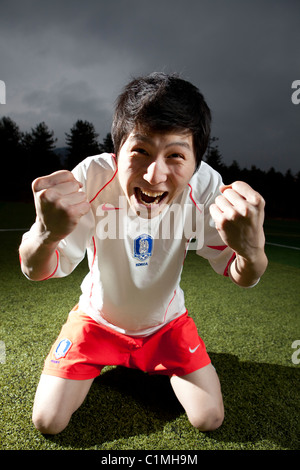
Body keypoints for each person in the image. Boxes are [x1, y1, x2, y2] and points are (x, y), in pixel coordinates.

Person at [19, 72, 268, 435]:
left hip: (166, 326)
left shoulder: (206, 187)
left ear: (196, 161)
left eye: (176, 155)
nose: (155, 175)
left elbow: (242, 274)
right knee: (47, 421)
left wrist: (252, 250)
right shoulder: (91, 176)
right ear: (116, 150)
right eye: (140, 150)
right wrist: (44, 233)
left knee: (209, 417)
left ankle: (157, 361)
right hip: (96, 321)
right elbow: (36, 270)